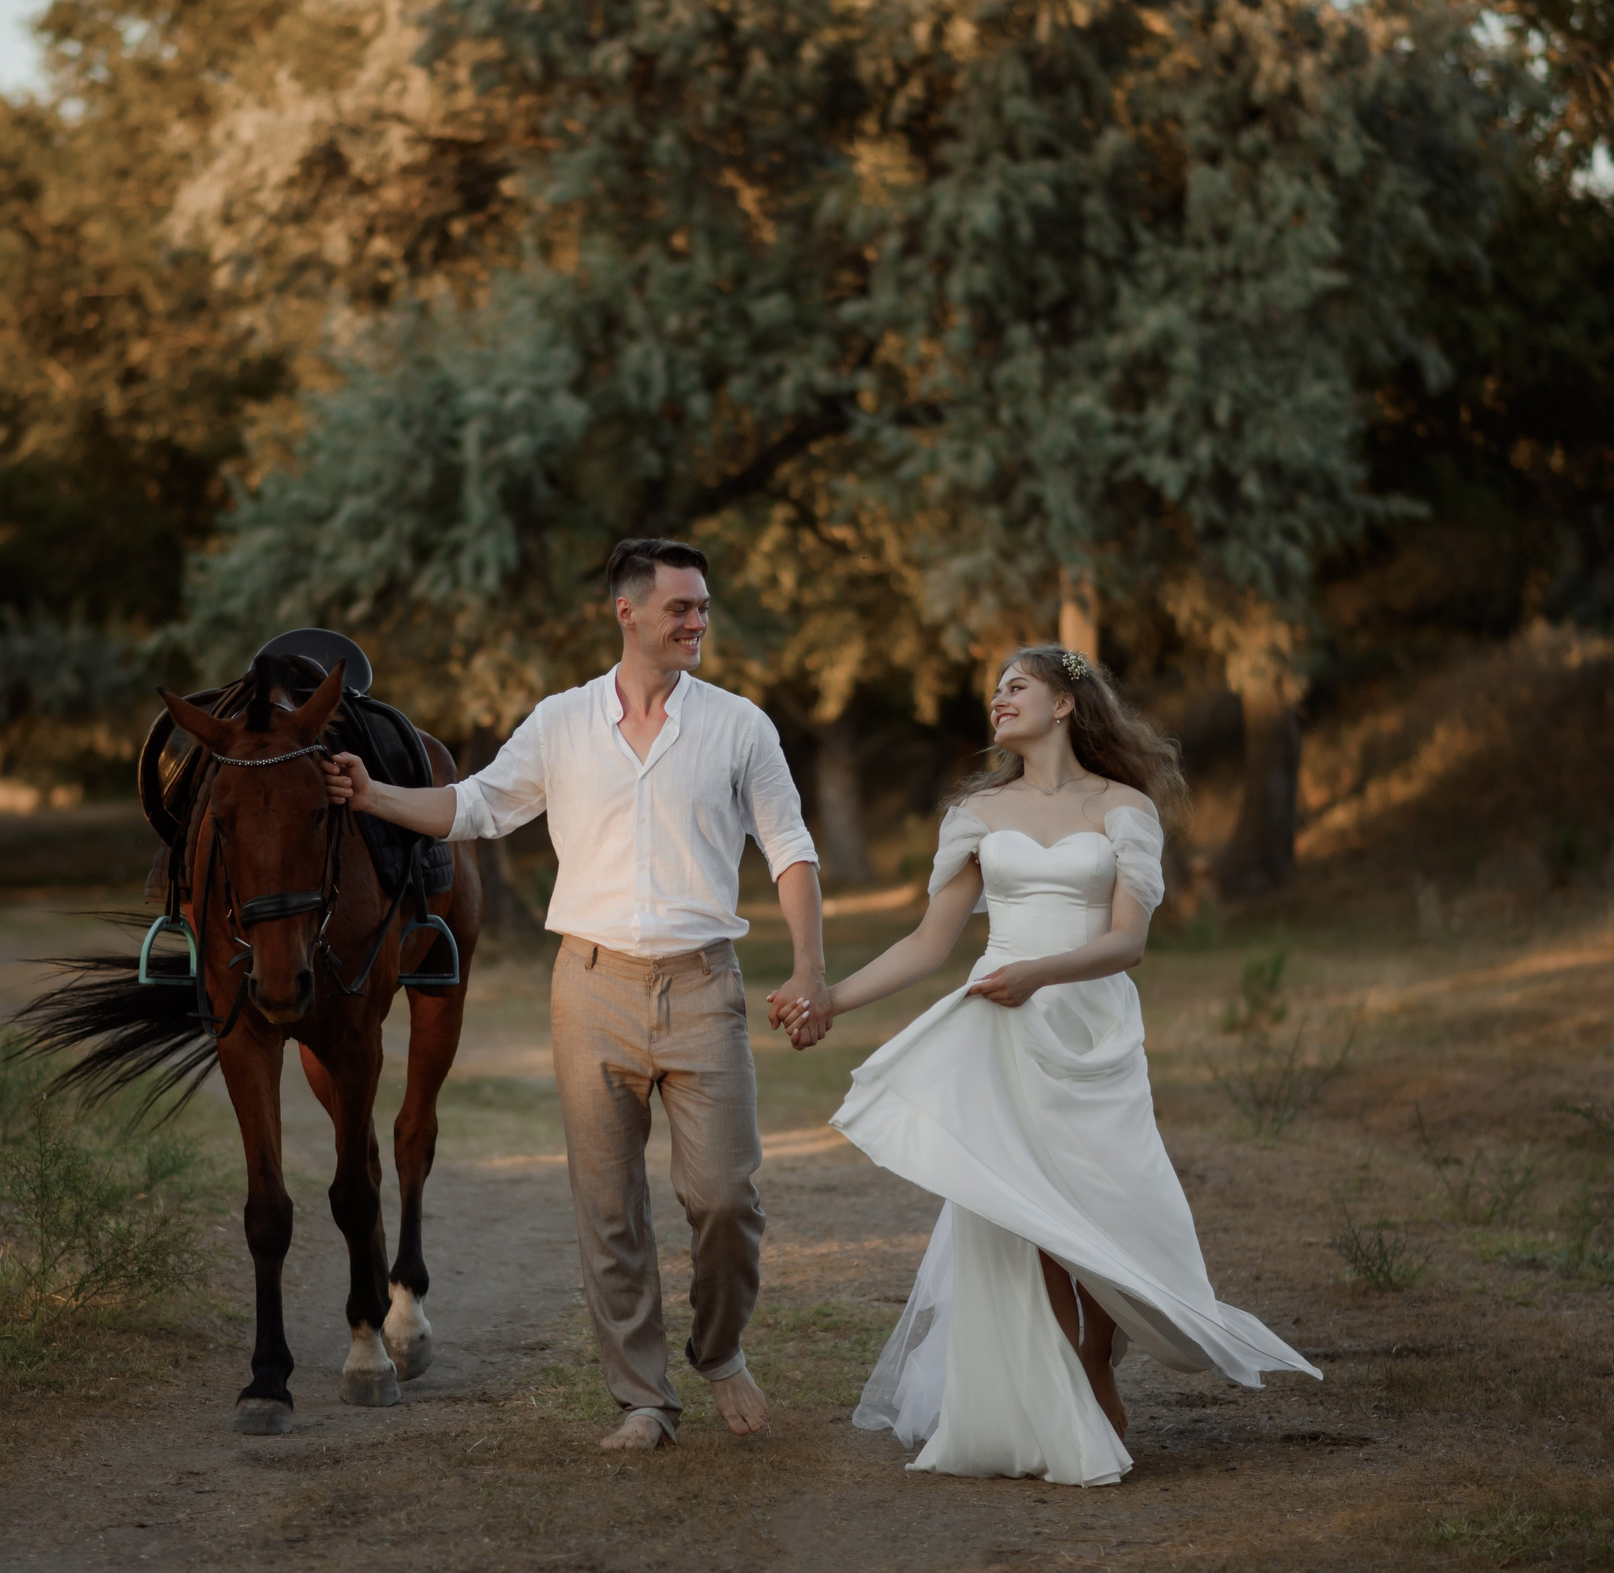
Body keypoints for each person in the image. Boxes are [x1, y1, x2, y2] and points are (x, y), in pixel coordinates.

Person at [321, 538, 828, 1451]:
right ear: (627, 612)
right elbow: (474, 807)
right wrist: (373, 796)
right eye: (682, 607)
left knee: (725, 1196)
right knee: (607, 1206)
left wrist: (810, 967)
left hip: (704, 985)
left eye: (704, 606)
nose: (698, 620)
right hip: (588, 986)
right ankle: (643, 1398)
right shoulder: (560, 723)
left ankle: (720, 1350)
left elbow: (789, 847)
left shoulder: (741, 726)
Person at [770, 646, 1317, 1485]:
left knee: (1113, 1205)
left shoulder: (1125, 808)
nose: (998, 698)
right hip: (1002, 1031)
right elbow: (928, 944)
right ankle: (1070, 1376)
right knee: (1029, 1216)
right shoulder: (980, 812)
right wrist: (830, 1000)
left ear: (1065, 703)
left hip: (1089, 1028)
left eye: (1016, 685)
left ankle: (1104, 1344)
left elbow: (1127, 942)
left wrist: (1039, 973)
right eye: (994, 689)